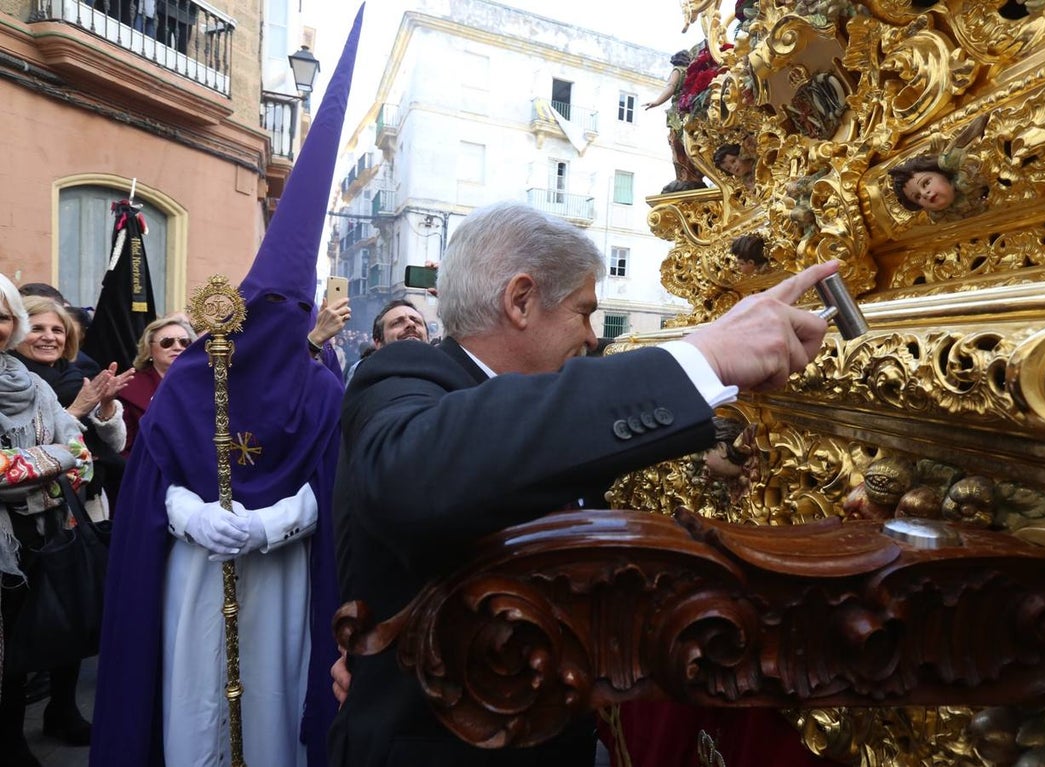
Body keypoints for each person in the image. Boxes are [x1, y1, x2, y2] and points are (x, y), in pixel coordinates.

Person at [328, 200, 839, 766]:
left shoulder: (548, 410)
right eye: (583, 312)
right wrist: (703, 358)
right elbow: (415, 476)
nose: (594, 339)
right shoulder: (402, 378)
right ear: (521, 301)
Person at [89, 8, 363, 766]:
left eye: (291, 312)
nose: (276, 324)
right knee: (190, 705)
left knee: (269, 708)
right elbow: (152, 473)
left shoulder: (322, 391)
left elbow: (331, 492)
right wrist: (188, 514)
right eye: (265, 309)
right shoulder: (187, 381)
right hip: (191, 571)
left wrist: (269, 526)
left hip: (278, 578)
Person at [0, 273, 94, 767]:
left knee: (26, 641)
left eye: (3, 315)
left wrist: (48, 459)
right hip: (4, 543)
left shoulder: (30, 383)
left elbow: (82, 453)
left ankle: (13, 738)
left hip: (36, 533)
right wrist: (54, 457)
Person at [11, 296, 132, 521]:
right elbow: (24, 451)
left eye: (57, 330)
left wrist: (106, 406)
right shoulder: (9, 383)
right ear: (15, 333)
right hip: (28, 506)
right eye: (36, 328)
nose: (49, 337)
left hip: (89, 496)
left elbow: (115, 445)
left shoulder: (81, 376)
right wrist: (76, 410)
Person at [117, 315, 196, 455]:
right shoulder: (129, 387)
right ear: (149, 350)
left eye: (184, 342)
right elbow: (123, 448)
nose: (177, 347)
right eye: (167, 342)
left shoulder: (204, 385)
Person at [644, 50, 705, 185]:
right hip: (691, 111)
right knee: (686, 142)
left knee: (678, 143)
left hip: (679, 110)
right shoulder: (692, 73)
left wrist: (657, 101)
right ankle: (691, 174)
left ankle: (684, 176)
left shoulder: (677, 71)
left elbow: (670, 88)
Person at [343, 299, 428, 385]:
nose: (411, 324)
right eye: (397, 322)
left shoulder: (441, 371)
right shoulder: (364, 377)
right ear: (378, 343)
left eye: (416, 321)